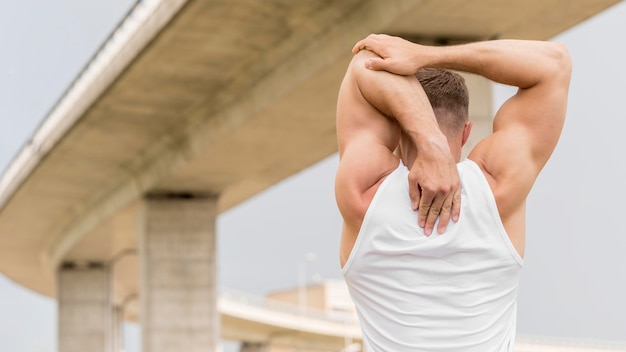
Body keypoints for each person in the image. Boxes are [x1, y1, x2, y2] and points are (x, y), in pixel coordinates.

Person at [335, 34, 571, 351]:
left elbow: (364, 63)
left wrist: (428, 140)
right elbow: (554, 64)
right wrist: (423, 55)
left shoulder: (365, 195)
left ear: (395, 125)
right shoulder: (497, 187)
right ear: (466, 132)